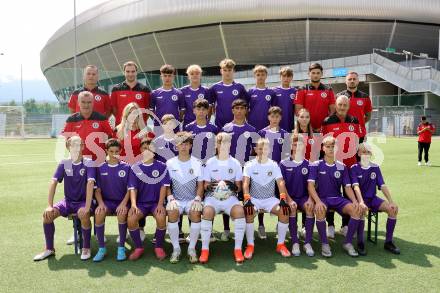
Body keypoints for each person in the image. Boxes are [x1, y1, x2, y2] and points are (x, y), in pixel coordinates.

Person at [33, 136, 95, 261]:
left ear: (83, 146)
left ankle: (86, 247)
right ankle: (49, 249)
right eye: (73, 145)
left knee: (83, 214)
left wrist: (87, 207)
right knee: (47, 216)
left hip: (84, 202)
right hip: (68, 202)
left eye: (79, 144)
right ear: (68, 147)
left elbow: (90, 184)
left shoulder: (89, 162)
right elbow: (53, 182)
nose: (76, 147)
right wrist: (50, 205)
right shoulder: (64, 163)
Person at [307, 136, 363, 257]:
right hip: (322, 198)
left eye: (333, 147)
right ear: (323, 148)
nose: (331, 149)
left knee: (356, 210)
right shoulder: (315, 165)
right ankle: (325, 244)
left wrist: (354, 201)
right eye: (328, 147)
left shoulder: (341, 166)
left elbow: (347, 187)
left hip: (337, 198)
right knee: (320, 210)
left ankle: (347, 243)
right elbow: (310, 186)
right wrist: (317, 201)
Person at [242, 138, 297, 259]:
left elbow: (280, 182)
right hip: (254, 199)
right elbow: (245, 183)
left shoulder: (273, 164)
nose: (262, 151)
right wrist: (247, 198)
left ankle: (280, 245)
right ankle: (250, 245)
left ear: (269, 150)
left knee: (284, 211)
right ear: (256, 149)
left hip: (270, 199)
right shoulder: (249, 164)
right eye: (260, 149)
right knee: (249, 212)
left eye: (265, 149)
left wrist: (283, 198)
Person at [199, 132, 247, 264]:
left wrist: (233, 187)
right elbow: (205, 185)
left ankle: (237, 249)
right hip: (212, 197)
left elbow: (239, 187)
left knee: (239, 211)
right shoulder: (210, 162)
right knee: (207, 212)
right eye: (220, 143)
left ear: (230, 145)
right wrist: (210, 187)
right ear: (216, 145)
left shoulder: (235, 163)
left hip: (230, 198)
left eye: (226, 143)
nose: (223, 145)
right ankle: (205, 249)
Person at [321, 95, 363, 237]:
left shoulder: (354, 121)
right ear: (336, 105)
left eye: (345, 105)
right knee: (330, 193)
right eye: (340, 104)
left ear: (349, 106)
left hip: (350, 164)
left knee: (348, 193)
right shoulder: (327, 121)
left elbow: (358, 142)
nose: (342, 107)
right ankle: (330, 225)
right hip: (332, 164)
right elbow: (325, 143)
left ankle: (345, 225)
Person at [350, 143, 400, 254]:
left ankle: (388, 242)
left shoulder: (375, 168)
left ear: (371, 153)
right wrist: (361, 202)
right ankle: (360, 243)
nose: (366, 154)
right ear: (358, 153)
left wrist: (391, 202)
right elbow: (356, 187)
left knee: (393, 210)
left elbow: (382, 185)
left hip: (373, 199)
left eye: (368, 152)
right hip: (360, 200)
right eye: (363, 152)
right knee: (361, 211)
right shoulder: (354, 168)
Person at [126, 136, 170, 261]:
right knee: (131, 219)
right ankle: (139, 247)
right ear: (141, 150)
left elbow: (164, 187)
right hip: (140, 204)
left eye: (150, 149)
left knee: (161, 217)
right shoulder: (135, 167)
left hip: (156, 203)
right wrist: (133, 205)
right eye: (145, 148)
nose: (147, 151)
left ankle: (159, 247)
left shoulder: (162, 166)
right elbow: (132, 188)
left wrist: (161, 204)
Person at [165, 132, 204, 263]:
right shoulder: (170, 163)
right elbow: (166, 185)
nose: (183, 147)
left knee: (195, 212)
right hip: (176, 199)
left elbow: (200, 185)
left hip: (192, 199)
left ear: (190, 146)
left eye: (186, 144)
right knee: (172, 211)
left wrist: (198, 199)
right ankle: (176, 249)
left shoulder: (197, 163)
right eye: (181, 144)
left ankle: (191, 249)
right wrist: (170, 198)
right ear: (176, 146)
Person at [91, 139, 131, 262]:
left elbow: (130, 189)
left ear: (121, 151)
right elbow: (97, 190)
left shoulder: (126, 167)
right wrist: (101, 204)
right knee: (99, 213)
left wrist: (124, 204)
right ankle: (102, 248)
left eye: (117, 151)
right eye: (111, 151)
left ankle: (121, 247)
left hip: (122, 201)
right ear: (106, 151)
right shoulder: (100, 167)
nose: (114, 154)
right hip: (106, 202)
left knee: (122, 213)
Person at [280, 134, 315, 257]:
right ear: (291, 146)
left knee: (310, 208)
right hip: (290, 197)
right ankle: (295, 242)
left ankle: (307, 243)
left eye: (300, 144)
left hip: (304, 197)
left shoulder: (310, 164)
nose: (297, 146)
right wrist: (289, 200)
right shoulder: (284, 163)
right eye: (295, 144)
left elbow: (312, 185)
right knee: (292, 208)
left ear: (304, 146)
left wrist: (311, 199)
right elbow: (282, 185)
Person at [62, 91, 114, 163]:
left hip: (98, 162)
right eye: (83, 102)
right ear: (78, 103)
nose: (86, 105)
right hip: (78, 161)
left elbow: (110, 139)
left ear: (93, 103)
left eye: (89, 102)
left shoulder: (102, 119)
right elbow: (67, 141)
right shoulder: (71, 120)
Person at [209, 58, 249, 129]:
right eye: (225, 70)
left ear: (233, 71)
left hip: (237, 125)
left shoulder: (240, 87)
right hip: (219, 125)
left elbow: (246, 107)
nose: (227, 73)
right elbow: (210, 106)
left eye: (230, 70)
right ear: (221, 71)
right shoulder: (215, 87)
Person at [295, 63, 335, 132]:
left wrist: (324, 125)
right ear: (309, 74)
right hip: (306, 129)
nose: (315, 75)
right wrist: (308, 127)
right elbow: (298, 112)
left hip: (324, 129)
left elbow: (333, 111)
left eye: (318, 73)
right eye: (313, 73)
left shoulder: (328, 90)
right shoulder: (302, 89)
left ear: (321, 74)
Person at [111, 61, 151, 126]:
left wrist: (140, 122)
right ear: (124, 72)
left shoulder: (145, 90)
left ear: (136, 72)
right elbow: (113, 109)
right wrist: (122, 119)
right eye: (128, 71)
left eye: (133, 71)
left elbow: (147, 110)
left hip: (140, 128)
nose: (130, 74)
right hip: (122, 127)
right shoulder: (116, 89)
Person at [337, 71, 372, 141]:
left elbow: (368, 116)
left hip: (360, 133)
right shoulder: (338, 96)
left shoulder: (365, 97)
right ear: (346, 81)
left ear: (358, 81)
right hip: (342, 133)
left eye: (354, 79)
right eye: (349, 79)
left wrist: (359, 124)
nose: (352, 81)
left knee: (361, 152)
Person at [150, 64, 185, 130]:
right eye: (165, 76)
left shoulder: (179, 93)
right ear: (161, 77)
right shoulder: (155, 93)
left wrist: (177, 121)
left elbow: (182, 110)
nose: (167, 78)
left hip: (174, 127)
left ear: (173, 77)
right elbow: (151, 110)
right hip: (159, 127)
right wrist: (157, 121)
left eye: (169, 76)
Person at [184, 98, 219, 163]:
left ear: (207, 111)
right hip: (193, 162)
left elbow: (218, 147)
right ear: (194, 111)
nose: (201, 112)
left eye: (203, 109)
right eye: (198, 109)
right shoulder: (188, 128)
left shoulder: (214, 128)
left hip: (210, 162)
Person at [247, 65, 276, 131]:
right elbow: (245, 109)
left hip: (267, 124)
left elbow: (274, 110)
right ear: (255, 76)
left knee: (267, 141)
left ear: (266, 76)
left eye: (263, 75)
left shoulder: (271, 92)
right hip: (252, 124)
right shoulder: (250, 91)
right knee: (254, 141)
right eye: (258, 75)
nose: (260, 77)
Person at [272, 66, 296, 132]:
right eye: (284, 76)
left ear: (292, 77)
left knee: (288, 142)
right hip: (276, 125)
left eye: (288, 76)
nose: (286, 78)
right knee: (275, 142)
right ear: (280, 77)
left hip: (290, 124)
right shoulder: (274, 91)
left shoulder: (295, 91)